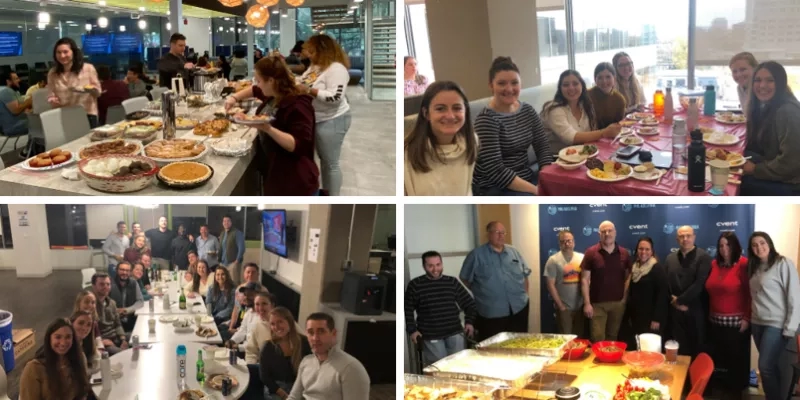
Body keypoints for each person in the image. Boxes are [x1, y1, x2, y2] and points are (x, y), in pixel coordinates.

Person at [225, 56, 320, 195]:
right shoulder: (275, 93)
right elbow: (254, 90)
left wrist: (267, 128)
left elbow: (298, 145)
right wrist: (234, 98)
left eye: (259, 80)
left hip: (295, 182)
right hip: (277, 173)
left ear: (271, 80)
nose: (257, 84)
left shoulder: (298, 105)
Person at [473, 57, 553, 196]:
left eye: (514, 83)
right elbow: (496, 171)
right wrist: (536, 190)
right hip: (495, 188)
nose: (509, 89)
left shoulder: (527, 110)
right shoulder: (486, 120)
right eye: (501, 83)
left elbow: (542, 146)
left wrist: (546, 178)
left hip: (525, 178)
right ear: (491, 86)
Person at [297, 35, 352, 196]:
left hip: (333, 119)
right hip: (317, 118)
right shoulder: (316, 67)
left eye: (312, 51)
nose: (309, 55)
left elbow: (335, 98)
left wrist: (308, 90)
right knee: (323, 160)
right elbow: (304, 80)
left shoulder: (337, 69)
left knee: (330, 163)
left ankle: (332, 197)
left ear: (323, 51)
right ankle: (325, 193)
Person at [748, 231, 800, 400]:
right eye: (754, 245)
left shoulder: (783, 263)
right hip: (757, 324)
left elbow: (795, 296)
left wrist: (791, 327)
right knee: (771, 368)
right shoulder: (754, 267)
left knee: (765, 367)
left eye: (762, 243)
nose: (759, 247)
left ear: (769, 244)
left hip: (776, 324)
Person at [404, 81, 478, 196]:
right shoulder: (406, 153)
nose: (450, 116)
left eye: (457, 108)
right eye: (440, 109)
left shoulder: (472, 141)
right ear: (426, 113)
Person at [460, 221, 530, 341]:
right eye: (497, 232)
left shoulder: (514, 252)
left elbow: (525, 275)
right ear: (489, 234)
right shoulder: (476, 255)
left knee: (519, 343)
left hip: (519, 308)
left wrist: (525, 295)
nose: (501, 236)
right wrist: (480, 291)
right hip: (491, 311)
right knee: (494, 348)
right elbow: (464, 278)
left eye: (503, 232)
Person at [406, 250, 476, 365]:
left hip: (455, 333)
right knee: (439, 369)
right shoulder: (415, 285)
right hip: (431, 335)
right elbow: (407, 310)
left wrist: (469, 322)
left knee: (458, 366)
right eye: (430, 266)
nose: (435, 269)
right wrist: (412, 330)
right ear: (424, 266)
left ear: (442, 264)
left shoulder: (451, 282)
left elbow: (469, 303)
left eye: (438, 265)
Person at [740, 61, 800, 195]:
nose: (762, 86)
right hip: (779, 168)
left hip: (792, 183)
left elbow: (791, 163)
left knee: (736, 182)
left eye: (770, 80)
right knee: (739, 158)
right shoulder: (769, 106)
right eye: (758, 80)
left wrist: (754, 169)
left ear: (780, 83)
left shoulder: (788, 111)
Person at [705, 232, 750, 399]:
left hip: (737, 324)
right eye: (721, 245)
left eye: (728, 245)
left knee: (735, 364)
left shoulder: (743, 264)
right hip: (715, 323)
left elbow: (751, 294)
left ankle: (735, 394)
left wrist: (747, 318)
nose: (724, 249)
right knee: (719, 362)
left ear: (735, 246)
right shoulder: (714, 264)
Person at [286, 313, 370, 400]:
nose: (315, 338)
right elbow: (293, 397)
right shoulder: (306, 361)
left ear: (333, 333)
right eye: (311, 332)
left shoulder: (351, 367)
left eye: (321, 331)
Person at [541, 69, 621, 153]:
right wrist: (604, 132)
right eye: (566, 85)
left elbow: (592, 131)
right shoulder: (553, 109)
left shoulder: (585, 105)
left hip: (582, 154)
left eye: (575, 84)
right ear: (560, 89)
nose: (571, 88)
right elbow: (570, 138)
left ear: (582, 86)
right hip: (557, 159)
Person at [579, 221, 632, 343]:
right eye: (603, 231)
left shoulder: (624, 253)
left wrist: (624, 298)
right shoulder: (591, 253)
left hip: (618, 304)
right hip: (597, 305)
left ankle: (609, 361)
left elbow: (629, 276)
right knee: (598, 338)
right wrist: (587, 303)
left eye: (610, 231)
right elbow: (584, 279)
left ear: (615, 233)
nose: (607, 234)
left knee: (612, 337)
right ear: (599, 234)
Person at [664, 225, 711, 359]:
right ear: (677, 239)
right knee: (678, 353)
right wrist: (674, 302)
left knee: (696, 351)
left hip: (695, 312)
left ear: (694, 237)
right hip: (675, 314)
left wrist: (680, 301)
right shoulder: (670, 259)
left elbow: (699, 284)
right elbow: (665, 284)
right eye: (681, 236)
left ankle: (695, 380)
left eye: (688, 236)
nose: (685, 239)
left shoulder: (704, 257)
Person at [19, 318, 92, 400]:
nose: (63, 343)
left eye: (68, 337)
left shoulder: (80, 359)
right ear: (49, 339)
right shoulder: (34, 369)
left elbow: (83, 393)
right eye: (58, 337)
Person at [621, 237, 668, 350]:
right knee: (637, 347)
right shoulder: (634, 267)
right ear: (637, 250)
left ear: (652, 251)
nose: (643, 252)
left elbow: (663, 295)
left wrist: (657, 319)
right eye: (641, 249)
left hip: (650, 318)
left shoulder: (657, 269)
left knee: (649, 350)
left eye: (647, 249)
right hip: (636, 317)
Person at [46, 37, 102, 128]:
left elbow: (98, 92)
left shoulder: (88, 68)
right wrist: (52, 99)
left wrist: (88, 89)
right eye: (59, 53)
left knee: (87, 142)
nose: (62, 56)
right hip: (63, 115)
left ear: (73, 52)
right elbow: (50, 94)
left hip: (86, 114)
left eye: (65, 52)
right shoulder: (53, 73)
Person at [261, 307, 312, 400]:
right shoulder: (268, 346)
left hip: (299, 386)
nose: (276, 327)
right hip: (276, 388)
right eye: (272, 324)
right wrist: (284, 395)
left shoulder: (304, 342)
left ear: (289, 322)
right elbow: (265, 377)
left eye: (280, 322)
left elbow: (310, 370)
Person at [544, 230, 585, 337]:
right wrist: (560, 306)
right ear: (559, 244)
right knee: (565, 338)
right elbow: (550, 284)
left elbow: (587, 280)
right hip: (564, 308)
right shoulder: (553, 260)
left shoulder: (582, 257)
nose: (567, 244)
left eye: (569, 241)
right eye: (563, 242)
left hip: (580, 306)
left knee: (579, 337)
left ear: (574, 242)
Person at [241, 292, 277, 399]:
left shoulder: (282, 323)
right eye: (257, 304)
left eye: (264, 304)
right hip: (263, 369)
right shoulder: (258, 325)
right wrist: (250, 369)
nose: (260, 308)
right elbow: (251, 351)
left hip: (279, 372)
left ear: (272, 305)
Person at [91, 272, 129, 355]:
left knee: (139, 338)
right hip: (103, 343)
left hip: (116, 337)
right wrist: (100, 341)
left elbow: (118, 324)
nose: (106, 287)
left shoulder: (112, 303)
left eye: (108, 284)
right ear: (94, 286)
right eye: (101, 284)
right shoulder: (90, 305)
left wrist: (123, 340)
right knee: (124, 355)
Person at [587, 62, 627, 129]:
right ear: (595, 79)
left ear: (614, 78)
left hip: (610, 136)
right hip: (589, 135)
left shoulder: (619, 100)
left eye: (608, 77)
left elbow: (618, 125)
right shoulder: (587, 95)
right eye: (600, 78)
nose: (604, 81)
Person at [108, 261, 143, 332]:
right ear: (117, 270)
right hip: (114, 323)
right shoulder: (109, 284)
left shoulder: (134, 283)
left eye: (127, 271)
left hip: (131, 320)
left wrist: (127, 310)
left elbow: (140, 301)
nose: (125, 273)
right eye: (122, 270)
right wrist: (115, 311)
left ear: (130, 272)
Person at [72, 290, 104, 357]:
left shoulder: (93, 322)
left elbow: (98, 339)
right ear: (79, 303)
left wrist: (99, 352)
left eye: (93, 302)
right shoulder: (71, 323)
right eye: (86, 302)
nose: (90, 305)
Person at [0, 70, 31, 137]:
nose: (19, 80)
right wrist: (30, 100)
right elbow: (16, 110)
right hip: (15, 127)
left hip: (12, 125)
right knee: (43, 121)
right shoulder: (6, 91)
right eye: (16, 79)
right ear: (8, 81)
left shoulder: (6, 90)